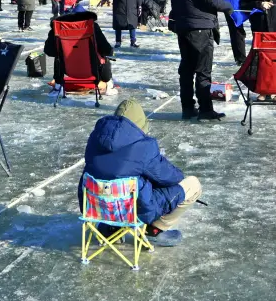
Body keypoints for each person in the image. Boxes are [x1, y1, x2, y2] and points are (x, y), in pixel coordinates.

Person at [83, 99, 201, 247]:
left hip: (97, 208)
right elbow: (170, 177)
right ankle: (154, 229)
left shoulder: (94, 140)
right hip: (135, 209)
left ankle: (111, 228)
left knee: (115, 178)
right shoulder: (144, 146)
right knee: (193, 184)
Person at [169, 0, 233, 122]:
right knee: (203, 71)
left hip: (184, 25)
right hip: (201, 26)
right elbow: (212, 1)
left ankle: (187, 107)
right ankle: (206, 109)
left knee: (187, 68)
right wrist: (229, 6)